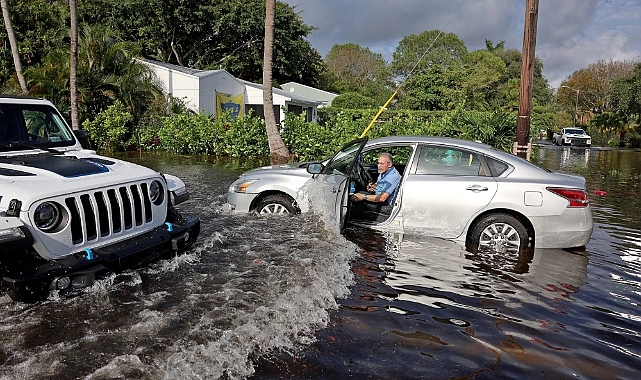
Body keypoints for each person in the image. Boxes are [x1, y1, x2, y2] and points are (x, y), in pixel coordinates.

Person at [350, 152, 401, 218]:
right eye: (378, 163)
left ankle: (352, 222)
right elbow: (380, 184)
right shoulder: (384, 172)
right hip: (381, 197)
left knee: (359, 200)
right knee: (358, 194)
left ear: (389, 164)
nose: (379, 166)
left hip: (387, 205)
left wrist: (363, 197)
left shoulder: (392, 177)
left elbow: (382, 198)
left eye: (382, 164)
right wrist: (373, 187)